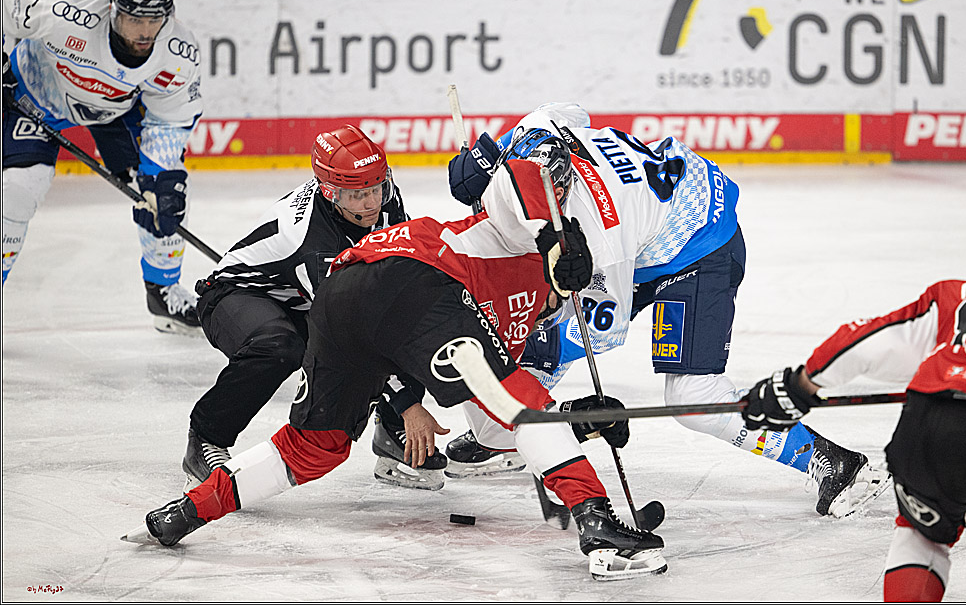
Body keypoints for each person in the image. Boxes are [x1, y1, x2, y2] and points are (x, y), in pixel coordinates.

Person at [129, 158, 669, 581]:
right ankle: (598, 529)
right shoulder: (527, 234)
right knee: (521, 399)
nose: (560, 305)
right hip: (412, 278)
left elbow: (492, 425)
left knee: (315, 447)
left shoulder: (517, 319)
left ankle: (187, 512)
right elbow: (515, 181)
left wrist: (576, 419)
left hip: (344, 296)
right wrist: (553, 238)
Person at [443, 103, 890, 518]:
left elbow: (601, 327)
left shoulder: (600, 235)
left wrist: (536, 333)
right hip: (653, 219)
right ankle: (514, 434)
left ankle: (832, 462)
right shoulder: (535, 131)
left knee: (692, 398)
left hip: (697, 248)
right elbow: (571, 112)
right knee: (539, 333)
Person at [741, 202, 966, 601]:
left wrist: (798, 388)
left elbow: (867, 341)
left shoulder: (956, 296)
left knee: (921, 540)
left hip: (928, 430)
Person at [182, 125, 447, 491]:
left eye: (376, 189)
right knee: (279, 348)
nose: (371, 203)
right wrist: (407, 403)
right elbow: (355, 334)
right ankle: (207, 437)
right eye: (357, 196)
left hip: (299, 297)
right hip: (237, 296)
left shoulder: (378, 195)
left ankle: (392, 433)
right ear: (329, 192)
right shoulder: (315, 246)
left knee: (408, 302)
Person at [2, 0, 202, 333]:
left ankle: (162, 290)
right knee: (17, 189)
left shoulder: (178, 54)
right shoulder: (68, 16)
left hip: (112, 112)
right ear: (114, 8)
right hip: (35, 101)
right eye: (134, 19)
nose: (145, 31)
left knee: (165, 194)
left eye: (154, 19)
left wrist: (158, 176)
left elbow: (169, 120)